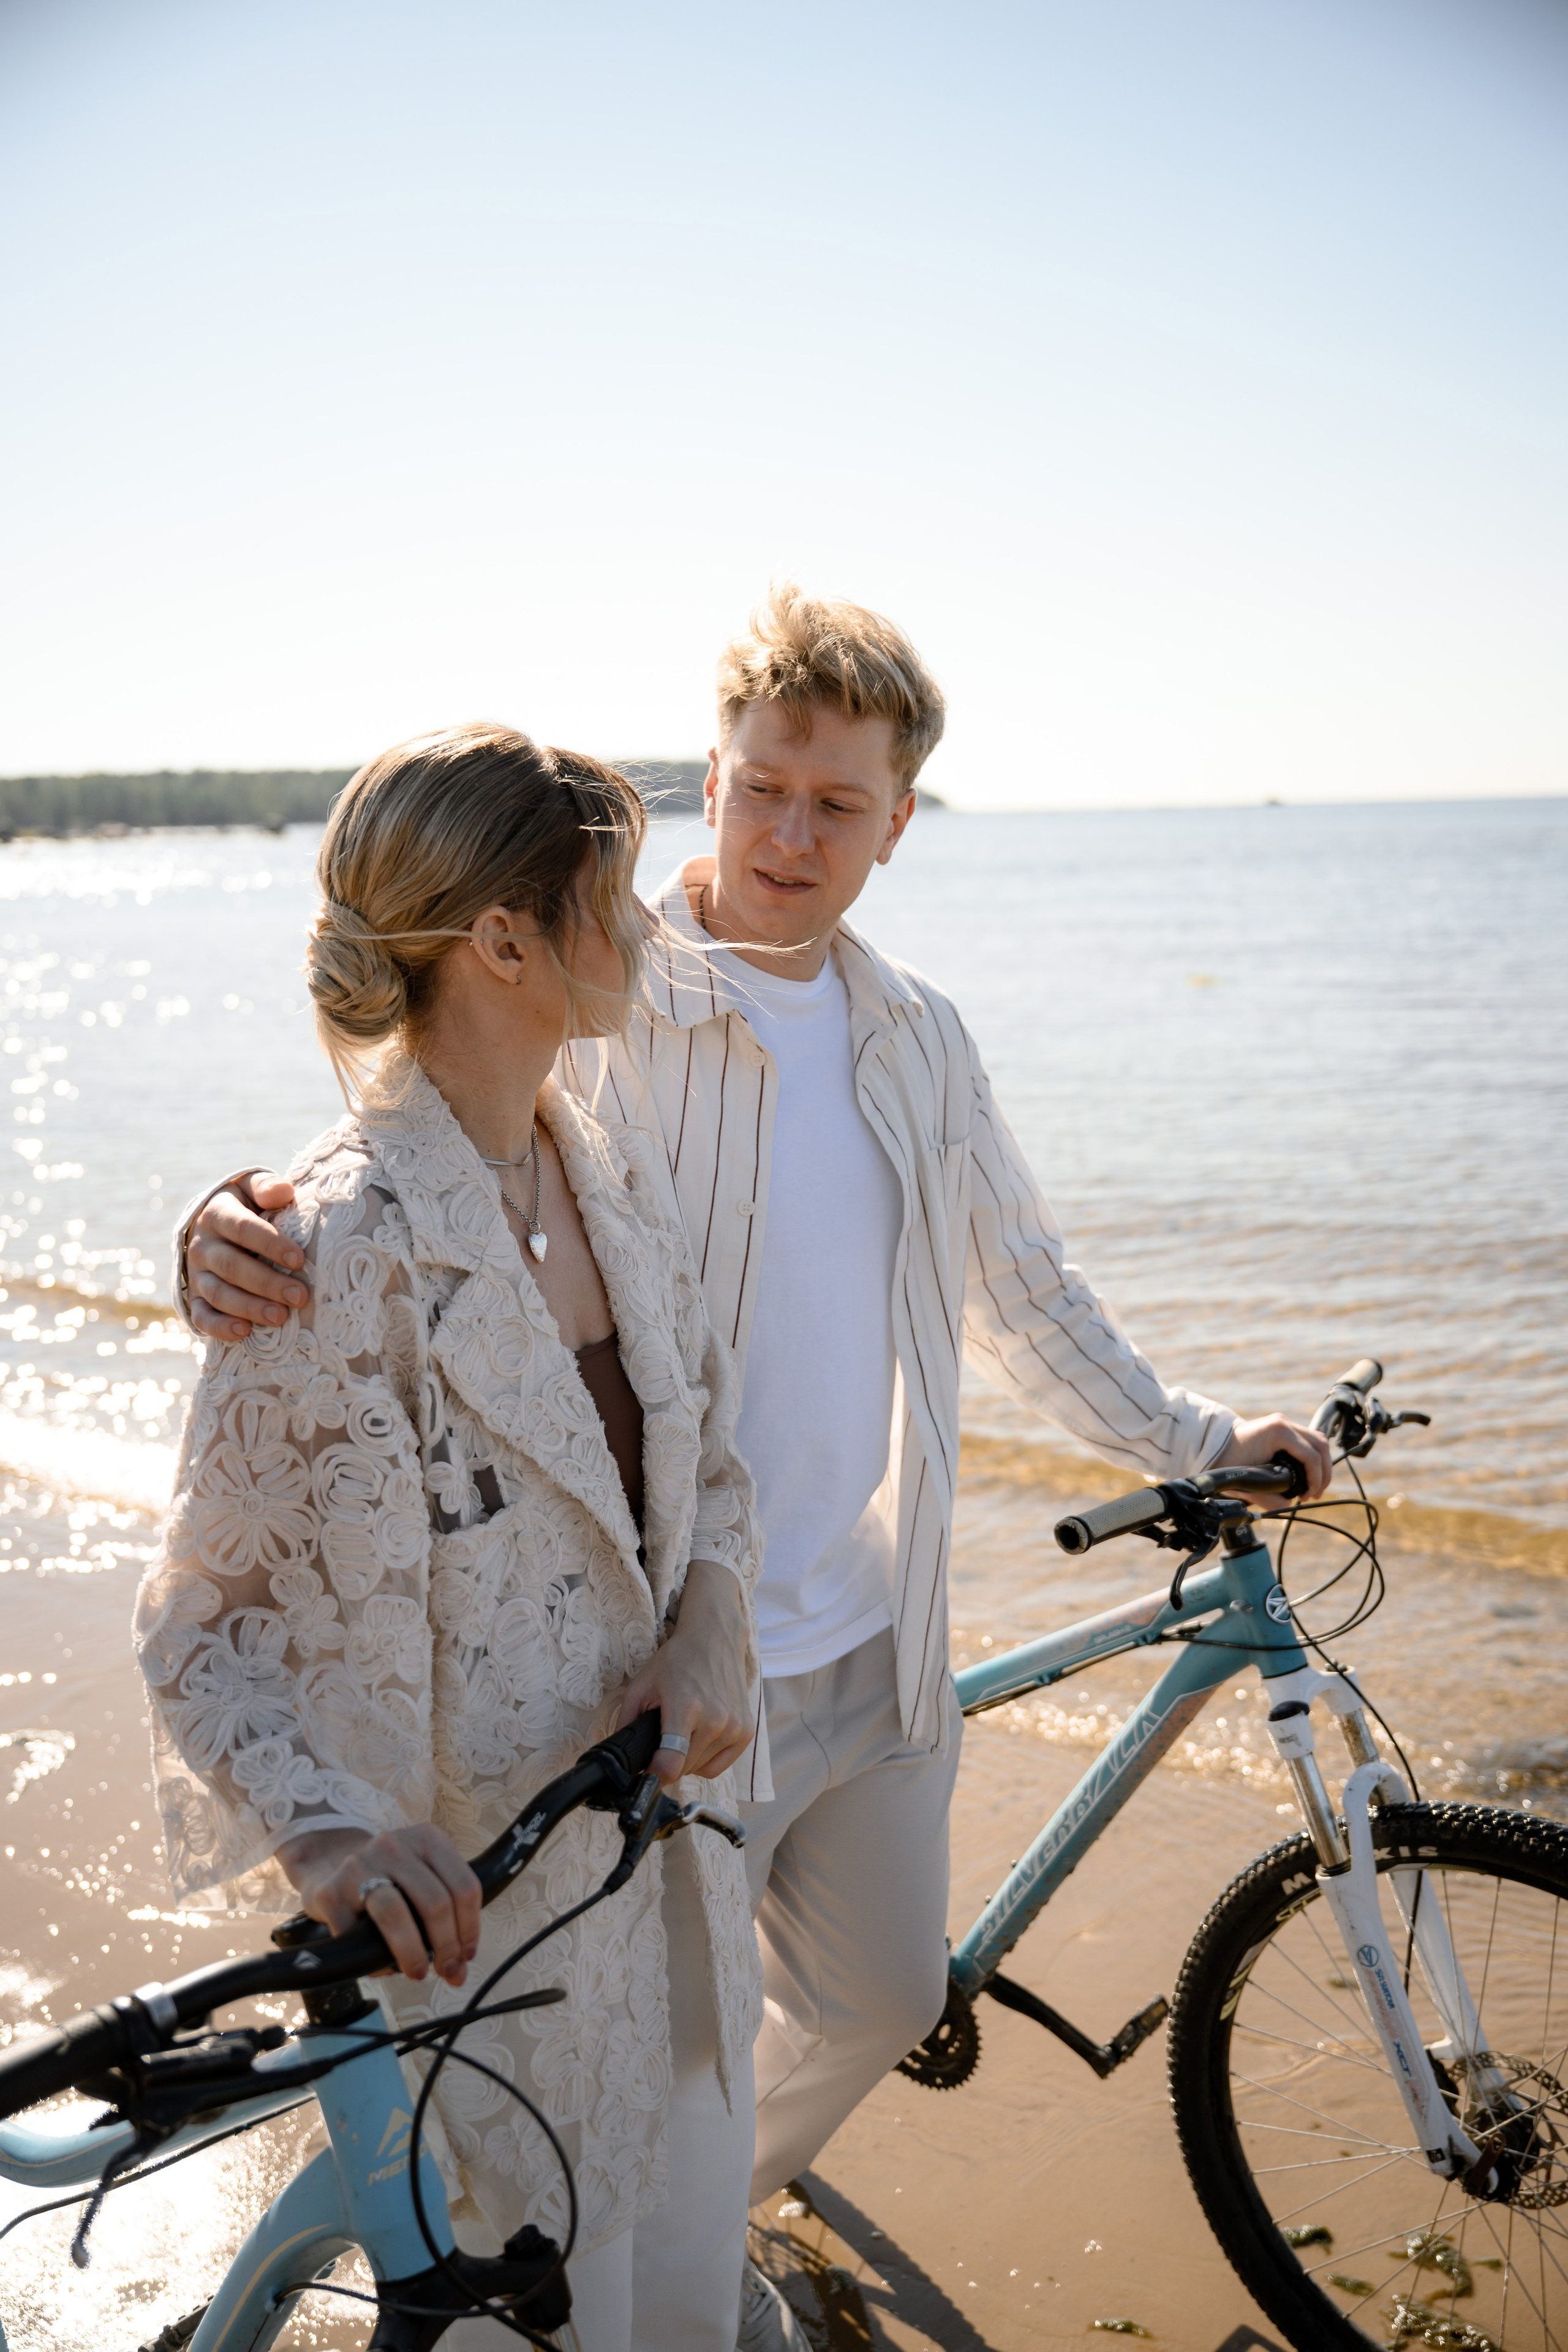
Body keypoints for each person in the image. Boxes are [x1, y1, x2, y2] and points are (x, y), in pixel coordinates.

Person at [180, 592, 1333, 2352]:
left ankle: (695, 2241)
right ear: (711, 781)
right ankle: (649, 2261)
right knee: (605, 2083)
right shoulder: (599, 976)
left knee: (873, 2000)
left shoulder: (919, 1038)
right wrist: (218, 1225)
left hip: (860, 1626)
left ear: (897, 821)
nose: (792, 836)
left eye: (838, 804)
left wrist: (1196, 1441)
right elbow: (403, 1124)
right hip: (626, 1691)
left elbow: (1022, 1290)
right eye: (761, 789)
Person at [136, 724, 767, 2352]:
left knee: (694, 2318)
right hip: (489, 1964)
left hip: (683, 1905)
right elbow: (198, 1628)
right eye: (614, 893)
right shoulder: (330, 1248)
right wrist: (336, 1838)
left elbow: (713, 1458)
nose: (647, 926)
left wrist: (712, 1616)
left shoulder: (598, 1157)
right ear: (503, 940)